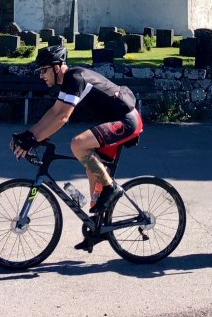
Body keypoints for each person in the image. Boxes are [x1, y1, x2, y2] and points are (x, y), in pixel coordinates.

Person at [9, 44, 143, 225]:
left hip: (126, 121)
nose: (41, 75)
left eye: (44, 70)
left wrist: (33, 141)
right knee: (93, 170)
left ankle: (111, 188)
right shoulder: (68, 81)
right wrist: (29, 134)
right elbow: (54, 112)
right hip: (116, 121)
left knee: (78, 144)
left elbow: (63, 117)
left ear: (57, 67)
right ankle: (97, 226)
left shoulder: (74, 78)